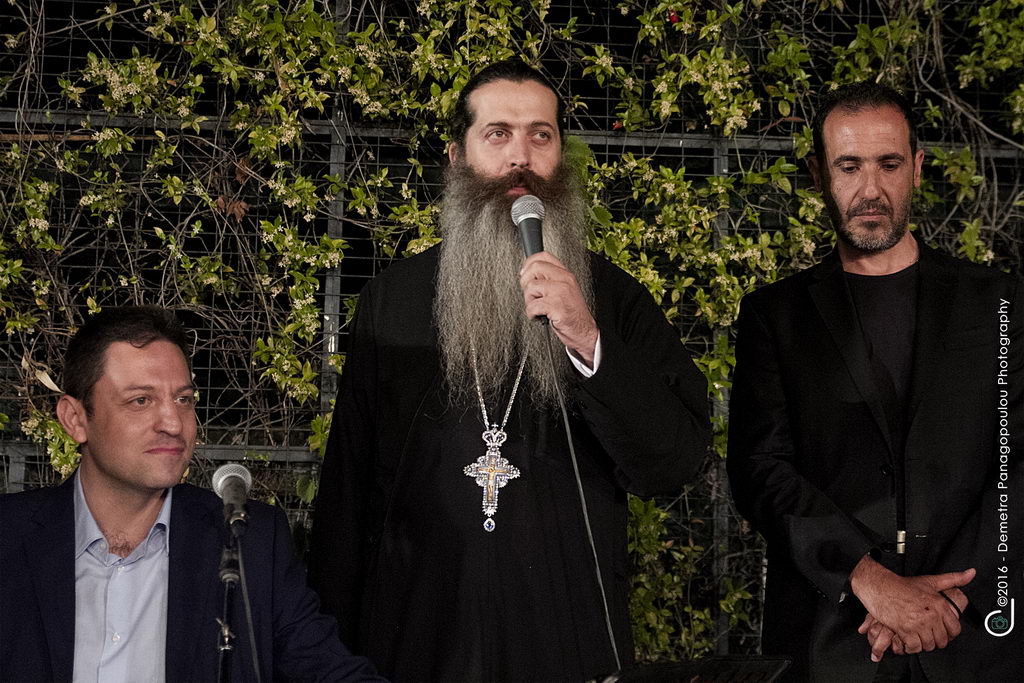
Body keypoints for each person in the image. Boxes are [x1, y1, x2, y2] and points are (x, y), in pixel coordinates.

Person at [308, 59, 711, 681]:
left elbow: (675, 461)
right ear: (456, 159)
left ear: (561, 157)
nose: (520, 156)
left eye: (540, 136)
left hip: (563, 640)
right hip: (418, 638)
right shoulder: (393, 300)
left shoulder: (612, 298)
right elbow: (347, 497)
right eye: (497, 134)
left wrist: (586, 337)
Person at [727, 81, 1022, 682]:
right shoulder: (775, 316)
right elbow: (760, 470)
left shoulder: (999, 303)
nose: (870, 190)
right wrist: (868, 579)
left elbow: (1014, 463)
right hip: (832, 640)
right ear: (819, 174)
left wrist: (949, 600)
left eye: (888, 164)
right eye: (849, 166)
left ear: (917, 167)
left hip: (974, 639)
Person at [0, 306, 384, 683]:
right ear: (75, 419)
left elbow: (328, 669)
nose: (173, 423)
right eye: (141, 400)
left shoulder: (246, 541)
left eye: (183, 399)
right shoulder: (9, 537)